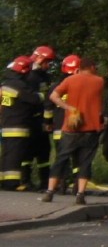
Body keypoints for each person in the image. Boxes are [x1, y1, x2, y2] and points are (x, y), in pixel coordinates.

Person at [41, 57, 105, 205]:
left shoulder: (70, 80)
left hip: (70, 127)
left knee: (61, 159)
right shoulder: (99, 81)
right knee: (85, 162)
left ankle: (50, 191)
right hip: (91, 129)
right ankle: (80, 194)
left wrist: (68, 108)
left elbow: (53, 96)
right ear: (92, 67)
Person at [0, 57, 42, 191]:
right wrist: (42, 95)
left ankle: (3, 180)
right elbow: (34, 100)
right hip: (18, 125)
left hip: (6, 124)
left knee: (7, 153)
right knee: (15, 155)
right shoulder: (19, 86)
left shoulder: (5, 84)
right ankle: (11, 183)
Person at [43, 54, 81, 193]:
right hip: (77, 129)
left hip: (59, 129)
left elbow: (48, 108)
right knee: (78, 158)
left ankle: (61, 185)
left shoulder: (55, 87)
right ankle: (78, 185)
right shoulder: (80, 87)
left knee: (61, 157)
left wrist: (48, 123)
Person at [22, 45, 56, 191]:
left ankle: (44, 182)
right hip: (30, 120)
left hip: (42, 120)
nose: (48, 65)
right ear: (39, 59)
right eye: (46, 62)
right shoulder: (29, 77)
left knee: (44, 152)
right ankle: (25, 181)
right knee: (27, 152)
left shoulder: (45, 77)